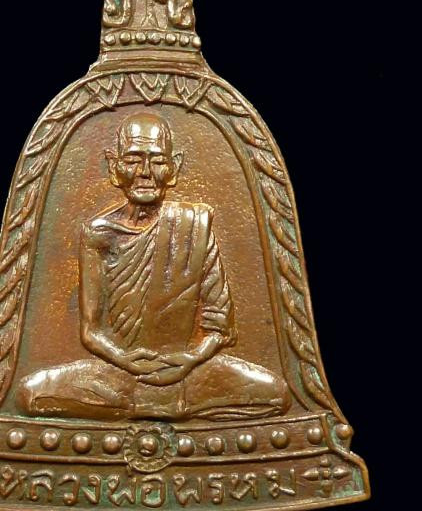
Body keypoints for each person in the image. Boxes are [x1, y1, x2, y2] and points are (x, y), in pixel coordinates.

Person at [18, 112, 290, 420]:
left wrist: (190, 358)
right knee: (30, 394)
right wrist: (124, 359)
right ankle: (164, 407)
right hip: (118, 370)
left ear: (174, 168)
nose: (145, 173)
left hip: (187, 369)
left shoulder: (194, 226)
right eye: (133, 160)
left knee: (276, 394)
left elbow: (220, 325)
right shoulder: (98, 233)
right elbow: (91, 332)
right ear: (114, 167)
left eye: (158, 161)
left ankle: (143, 407)